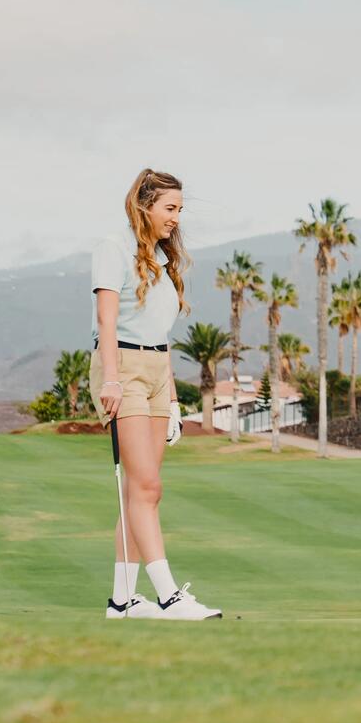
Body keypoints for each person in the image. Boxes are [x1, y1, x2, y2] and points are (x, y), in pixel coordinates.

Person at [90, 168, 221, 621]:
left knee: (138, 494)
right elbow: (107, 321)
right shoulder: (113, 248)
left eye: (180, 210)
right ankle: (168, 596)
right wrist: (110, 379)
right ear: (143, 206)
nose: (176, 219)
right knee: (148, 486)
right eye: (170, 208)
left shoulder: (163, 263)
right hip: (121, 368)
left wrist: (174, 405)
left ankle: (121, 602)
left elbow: (161, 336)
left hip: (156, 373)